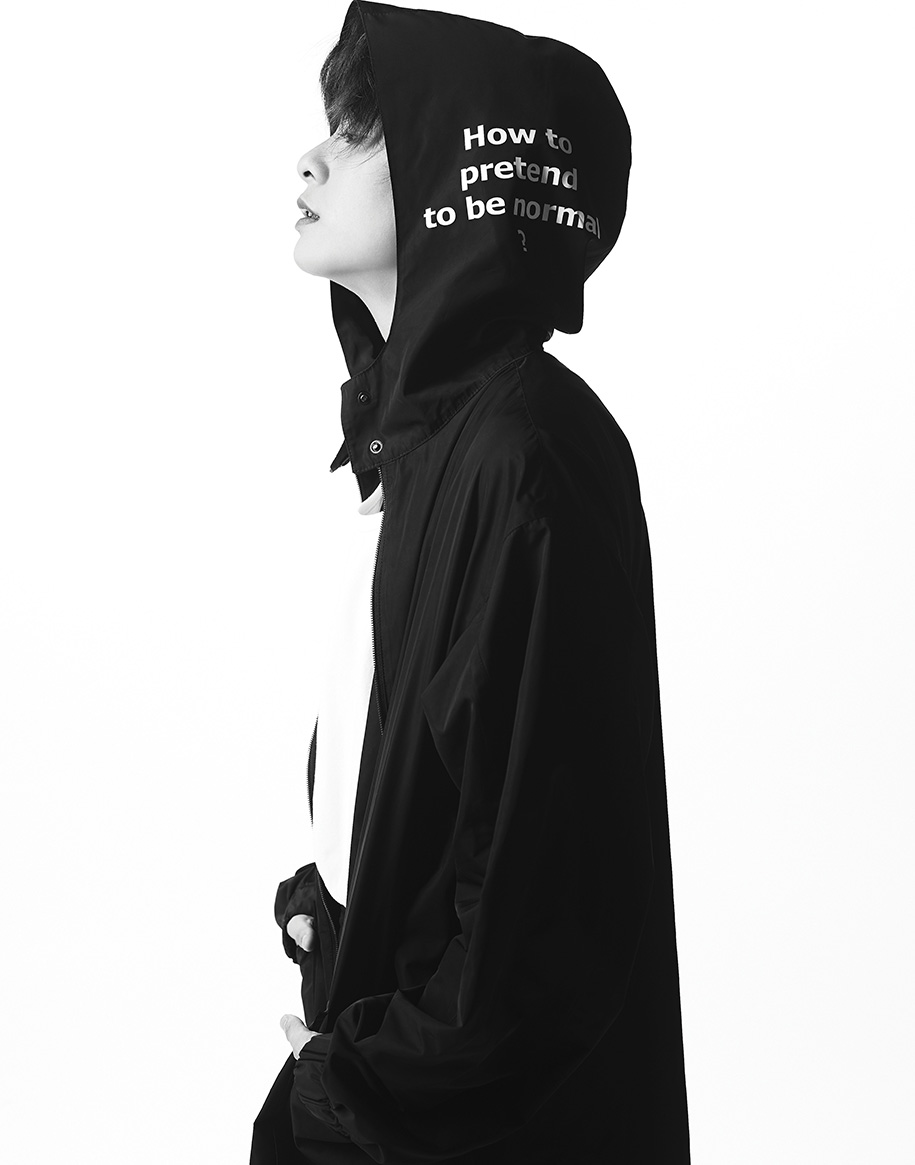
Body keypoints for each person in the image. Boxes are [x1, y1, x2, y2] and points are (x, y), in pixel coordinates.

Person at [250, 2, 691, 1162]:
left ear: (460, 179)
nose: (309, 160)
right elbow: (420, 767)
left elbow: (546, 913)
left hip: (454, 1123)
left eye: (359, 134)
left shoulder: (526, 455)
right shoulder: (422, 443)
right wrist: (333, 903)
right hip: (384, 1070)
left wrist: (353, 1083)